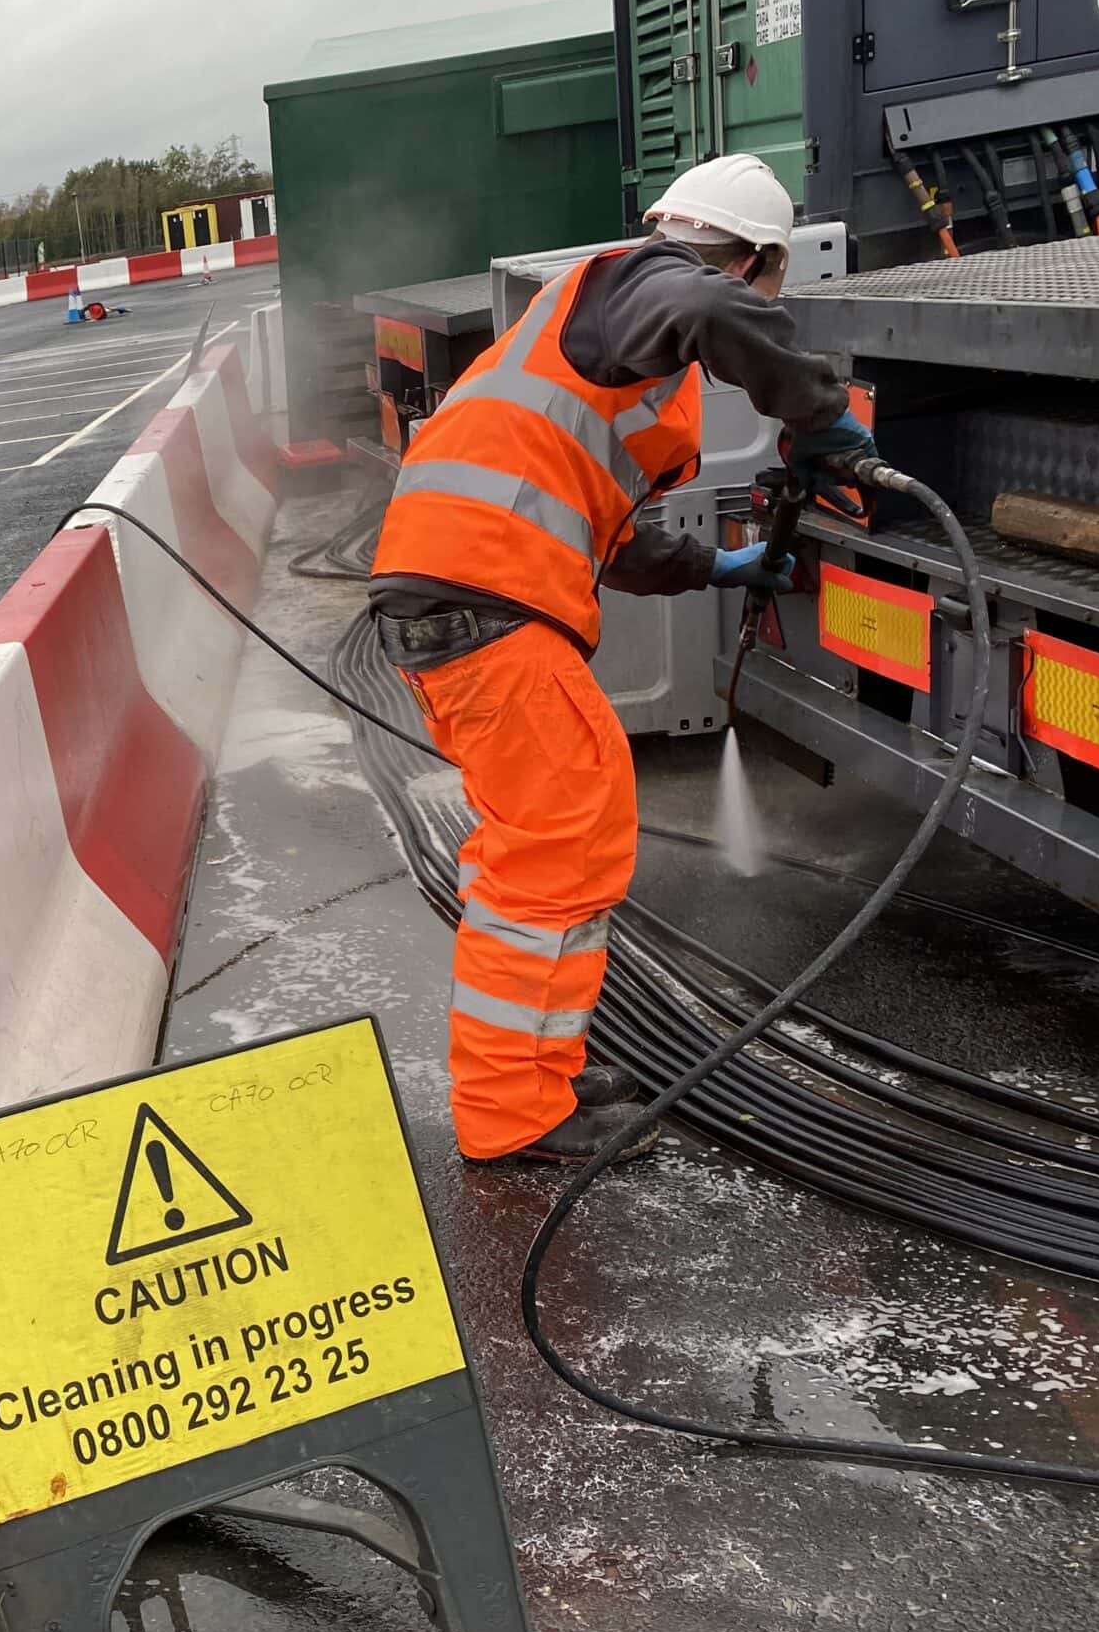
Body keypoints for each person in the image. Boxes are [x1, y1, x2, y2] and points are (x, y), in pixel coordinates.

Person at [367, 154, 882, 1165]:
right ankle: (508, 1111)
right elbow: (709, 306)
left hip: (465, 601)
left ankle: (541, 1068)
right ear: (757, 260)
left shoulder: (595, 340)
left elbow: (623, 540)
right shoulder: (643, 284)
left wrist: (719, 564)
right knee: (548, 855)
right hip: (486, 604)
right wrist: (819, 421)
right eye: (769, 280)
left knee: (577, 837)